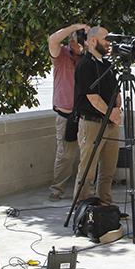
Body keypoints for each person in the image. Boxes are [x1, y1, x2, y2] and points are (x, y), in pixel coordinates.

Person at [73, 26, 122, 205]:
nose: (109, 43)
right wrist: (112, 114)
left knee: (108, 171)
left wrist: (117, 110)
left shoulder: (108, 65)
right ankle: (83, 210)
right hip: (92, 123)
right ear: (93, 41)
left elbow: (117, 91)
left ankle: (105, 207)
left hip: (110, 124)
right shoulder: (84, 65)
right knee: (87, 170)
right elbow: (93, 98)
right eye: (105, 39)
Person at [47, 23, 88, 201]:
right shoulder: (61, 54)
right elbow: (52, 40)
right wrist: (75, 27)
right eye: (74, 37)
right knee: (65, 155)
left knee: (89, 154)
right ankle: (57, 189)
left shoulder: (89, 58)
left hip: (87, 114)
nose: (76, 40)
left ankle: (87, 190)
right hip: (66, 114)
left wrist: (86, 43)